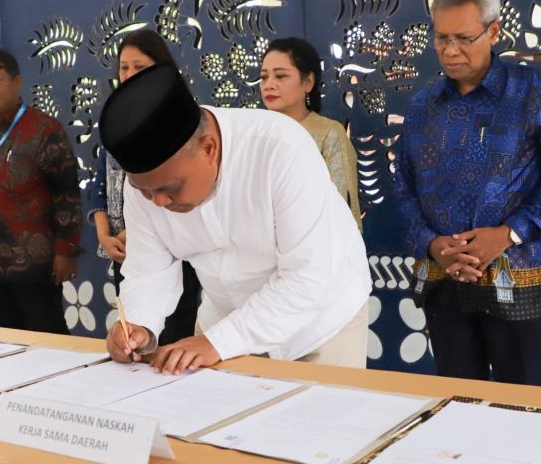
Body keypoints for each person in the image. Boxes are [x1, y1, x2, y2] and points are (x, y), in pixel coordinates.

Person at [100, 63, 370, 373]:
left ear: (209, 149)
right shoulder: (145, 186)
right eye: (146, 192)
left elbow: (306, 277)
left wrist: (216, 342)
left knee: (320, 421)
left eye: (169, 188)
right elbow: (149, 270)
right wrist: (138, 326)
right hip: (224, 323)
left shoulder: (280, 150)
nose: (158, 201)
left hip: (321, 324)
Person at [392, 0, 541, 386]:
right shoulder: (423, 103)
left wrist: (509, 234)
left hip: (520, 274)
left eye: (463, 37)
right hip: (444, 279)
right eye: (441, 38)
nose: (450, 50)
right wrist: (431, 244)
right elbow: (404, 188)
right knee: (457, 406)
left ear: (494, 30)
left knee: (530, 409)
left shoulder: (537, 91)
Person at [0, 48, 81, 333]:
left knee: (47, 334)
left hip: (33, 263)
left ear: (17, 82)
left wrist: (66, 250)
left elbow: (67, 196)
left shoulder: (44, 130)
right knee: (5, 337)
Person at [89, 29, 199, 343]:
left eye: (139, 66)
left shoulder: (179, 115)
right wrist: (104, 235)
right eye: (124, 67)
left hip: (172, 243)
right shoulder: (114, 118)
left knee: (175, 330)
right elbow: (99, 184)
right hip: (121, 247)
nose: (129, 74)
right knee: (134, 325)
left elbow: (183, 189)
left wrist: (137, 232)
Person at [260, 37, 362, 227]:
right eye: (264, 77)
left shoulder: (329, 133)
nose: (269, 84)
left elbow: (339, 207)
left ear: (308, 82)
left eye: (280, 76)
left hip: (315, 246)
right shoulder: (256, 135)